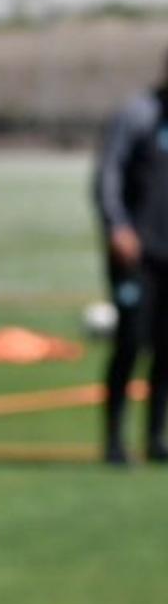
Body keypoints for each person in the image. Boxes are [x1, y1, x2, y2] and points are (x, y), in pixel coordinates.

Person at [93, 50, 168, 465]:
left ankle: (156, 438)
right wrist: (117, 226)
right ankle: (114, 442)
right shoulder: (137, 114)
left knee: (165, 348)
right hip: (135, 256)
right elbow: (108, 173)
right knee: (130, 342)